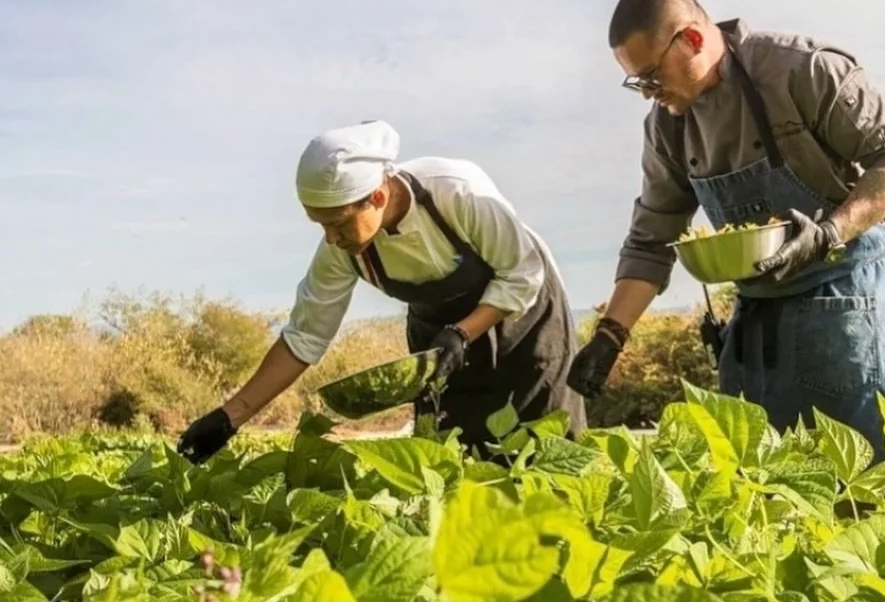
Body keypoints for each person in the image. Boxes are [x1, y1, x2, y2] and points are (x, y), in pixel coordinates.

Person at [568, 0, 885, 458]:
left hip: (844, 308)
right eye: (638, 82)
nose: (647, 94)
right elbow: (652, 240)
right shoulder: (667, 129)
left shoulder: (802, 68)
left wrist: (828, 233)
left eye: (652, 77)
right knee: (769, 501)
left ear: (693, 40)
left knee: (877, 488)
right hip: (759, 326)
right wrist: (609, 338)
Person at [177, 121, 584, 461]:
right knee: (448, 458)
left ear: (376, 196)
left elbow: (521, 274)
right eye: (321, 226)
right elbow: (304, 338)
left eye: (338, 224)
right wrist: (229, 418)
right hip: (440, 338)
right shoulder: (342, 250)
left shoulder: (456, 192)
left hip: (526, 321)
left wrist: (463, 332)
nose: (331, 239)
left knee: (542, 450)